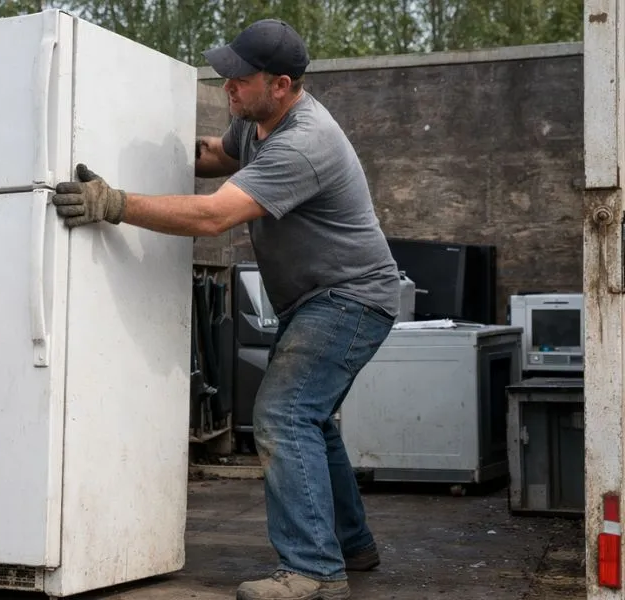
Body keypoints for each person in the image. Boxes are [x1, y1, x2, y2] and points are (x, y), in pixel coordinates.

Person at [53, 18, 399, 600]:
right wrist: (119, 134)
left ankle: (314, 571)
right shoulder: (258, 125)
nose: (227, 87)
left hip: (350, 299)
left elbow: (213, 216)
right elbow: (216, 155)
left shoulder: (303, 143)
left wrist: (115, 203)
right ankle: (352, 544)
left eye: (240, 78)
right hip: (320, 298)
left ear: (282, 84)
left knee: (283, 416)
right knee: (309, 420)